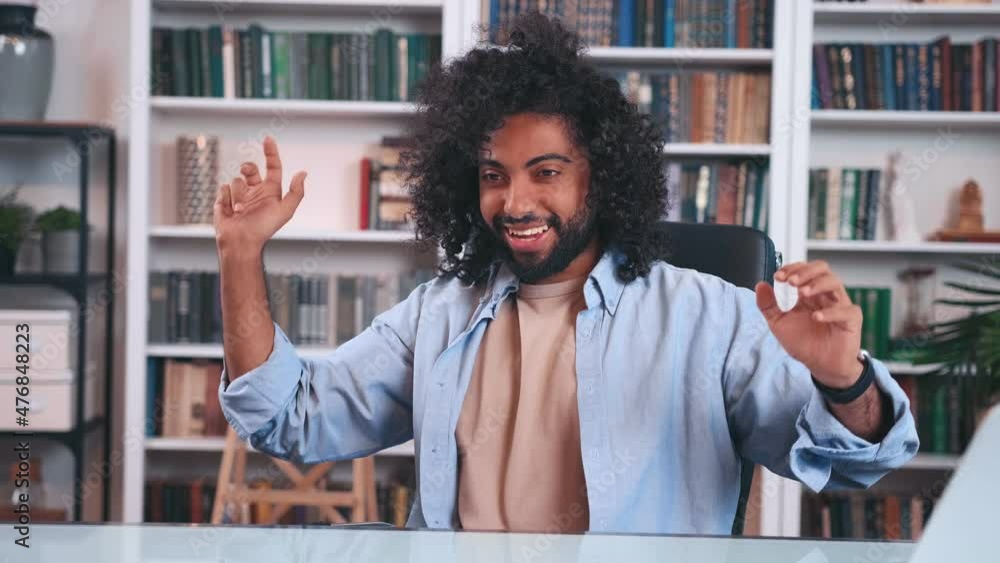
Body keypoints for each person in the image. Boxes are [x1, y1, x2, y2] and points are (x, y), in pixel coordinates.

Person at [213, 12, 918, 535]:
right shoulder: (437, 315)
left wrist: (844, 381)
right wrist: (241, 257)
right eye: (495, 176)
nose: (516, 202)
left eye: (545, 172)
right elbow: (288, 419)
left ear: (601, 178)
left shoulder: (710, 315)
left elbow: (854, 461)